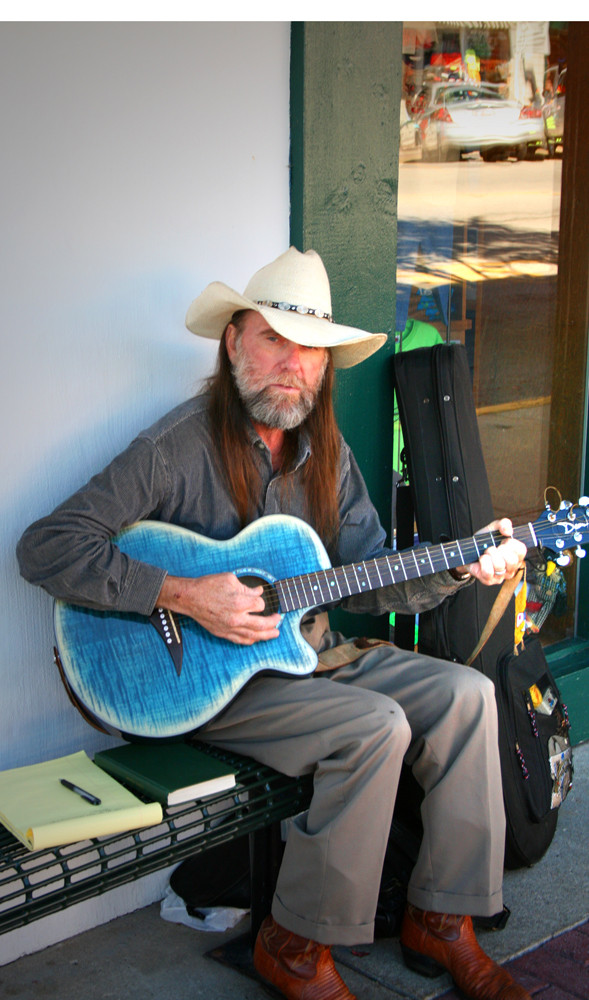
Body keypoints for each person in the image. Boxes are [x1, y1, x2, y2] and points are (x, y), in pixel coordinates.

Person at [17, 247, 530, 1000]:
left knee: (466, 697)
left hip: (307, 656)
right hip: (202, 684)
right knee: (375, 727)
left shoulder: (328, 454)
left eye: (310, 350)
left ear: (325, 368)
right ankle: (293, 945)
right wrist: (183, 595)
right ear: (232, 344)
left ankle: (442, 918)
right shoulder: (176, 447)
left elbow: (375, 572)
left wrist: (461, 567)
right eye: (272, 339)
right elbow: (47, 547)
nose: (292, 364)